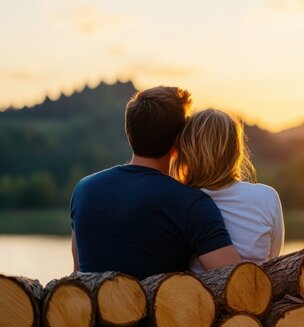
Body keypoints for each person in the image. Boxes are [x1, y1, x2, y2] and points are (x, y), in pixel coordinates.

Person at [70, 87, 241, 280]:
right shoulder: (191, 203)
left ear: (130, 131)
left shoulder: (84, 189)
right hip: (157, 310)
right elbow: (238, 282)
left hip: (89, 309)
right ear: (179, 141)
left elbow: (77, 272)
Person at [170, 108, 284, 271]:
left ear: (187, 150)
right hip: (257, 293)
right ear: (236, 151)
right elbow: (274, 259)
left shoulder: (177, 201)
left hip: (195, 295)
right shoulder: (266, 197)